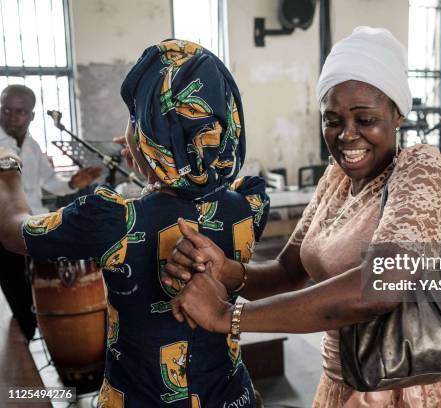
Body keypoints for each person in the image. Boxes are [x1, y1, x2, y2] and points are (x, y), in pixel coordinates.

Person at [165, 27, 441, 407]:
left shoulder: (419, 170)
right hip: (345, 377)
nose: (347, 136)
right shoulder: (335, 179)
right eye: (332, 121)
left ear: (397, 115)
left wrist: (227, 315)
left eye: (365, 120)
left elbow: (381, 286)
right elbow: (288, 271)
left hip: (412, 391)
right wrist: (226, 270)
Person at [0, 39, 269, 407]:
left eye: (134, 118)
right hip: (231, 396)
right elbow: (185, 196)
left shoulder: (112, 221)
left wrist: (6, 169)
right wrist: (153, 163)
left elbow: (13, 229)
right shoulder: (248, 204)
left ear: (147, 132)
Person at [0, 84, 101, 341]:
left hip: (34, 227)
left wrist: (72, 183)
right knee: (16, 296)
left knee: (43, 293)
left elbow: (49, 181)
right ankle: (21, 346)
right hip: (6, 233)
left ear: (32, 116)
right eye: (6, 109)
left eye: (20, 111)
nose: (12, 116)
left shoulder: (32, 145)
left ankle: (40, 336)